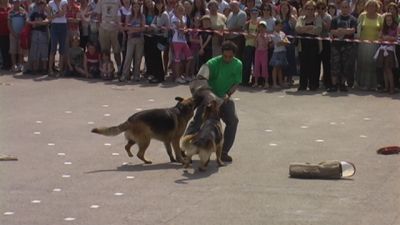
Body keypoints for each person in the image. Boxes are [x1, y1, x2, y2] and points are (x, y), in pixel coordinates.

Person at [186, 41, 242, 162]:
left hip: (224, 97)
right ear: (221, 54)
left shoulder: (238, 64)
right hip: (208, 97)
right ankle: (185, 150)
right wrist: (209, 97)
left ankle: (223, 152)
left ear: (234, 55)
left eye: (230, 57)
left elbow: (236, 83)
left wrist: (228, 94)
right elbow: (199, 81)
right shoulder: (211, 63)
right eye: (225, 56)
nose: (227, 59)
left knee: (233, 121)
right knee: (197, 122)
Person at [328, 0, 357, 92]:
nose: (344, 9)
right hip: (336, 46)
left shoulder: (353, 19)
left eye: (346, 7)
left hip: (348, 46)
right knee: (335, 66)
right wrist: (343, 31)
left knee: (345, 66)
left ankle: (342, 84)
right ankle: (334, 85)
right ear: (340, 8)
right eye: (343, 7)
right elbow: (332, 31)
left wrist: (341, 30)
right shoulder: (335, 19)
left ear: (349, 8)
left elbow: (353, 30)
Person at [120, 0, 145, 82]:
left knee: (138, 58)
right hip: (130, 39)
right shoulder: (129, 16)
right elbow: (126, 28)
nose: (136, 8)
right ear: (132, 7)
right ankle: (125, 75)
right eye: (134, 6)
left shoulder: (142, 16)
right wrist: (136, 29)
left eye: (137, 6)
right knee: (128, 57)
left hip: (140, 39)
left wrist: (133, 30)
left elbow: (143, 28)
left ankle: (136, 75)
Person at [375, 13, 397, 94]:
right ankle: (386, 87)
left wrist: (388, 38)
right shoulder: (383, 29)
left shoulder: (395, 28)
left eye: (390, 20)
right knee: (384, 69)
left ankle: (392, 87)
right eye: (387, 20)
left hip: (390, 50)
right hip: (382, 49)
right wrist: (381, 37)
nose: (388, 22)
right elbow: (379, 37)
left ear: (392, 20)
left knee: (389, 69)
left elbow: (396, 38)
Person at [28, 0, 49, 74]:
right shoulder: (34, 13)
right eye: (40, 5)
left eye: (43, 5)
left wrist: (36, 22)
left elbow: (47, 21)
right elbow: (28, 21)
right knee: (34, 50)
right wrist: (34, 23)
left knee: (44, 51)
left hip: (43, 33)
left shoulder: (45, 14)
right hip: (35, 33)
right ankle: (35, 69)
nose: (42, 6)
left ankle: (44, 69)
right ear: (38, 5)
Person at [8, 0, 27, 72]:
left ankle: (20, 65)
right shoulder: (10, 12)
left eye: (17, 2)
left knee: (20, 51)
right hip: (13, 34)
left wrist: (22, 32)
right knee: (13, 50)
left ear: (19, 3)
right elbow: (9, 24)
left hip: (21, 34)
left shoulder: (23, 12)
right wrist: (13, 33)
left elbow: (26, 22)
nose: (16, 4)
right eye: (15, 2)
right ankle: (14, 65)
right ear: (13, 3)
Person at [270, 19, 289, 88]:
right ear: (275, 26)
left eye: (280, 26)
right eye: (277, 26)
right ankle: (274, 83)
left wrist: (283, 42)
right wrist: (283, 42)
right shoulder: (273, 34)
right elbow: (277, 44)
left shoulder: (283, 33)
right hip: (276, 52)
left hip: (283, 51)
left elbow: (287, 42)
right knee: (275, 68)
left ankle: (280, 82)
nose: (279, 27)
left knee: (280, 68)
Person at [253, 21, 270, 88]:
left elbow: (267, 44)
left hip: (264, 52)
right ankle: (256, 82)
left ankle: (266, 82)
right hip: (258, 52)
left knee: (264, 67)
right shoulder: (257, 35)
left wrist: (264, 37)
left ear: (265, 28)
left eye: (263, 27)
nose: (261, 28)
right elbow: (255, 44)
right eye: (260, 27)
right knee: (256, 66)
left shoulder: (267, 35)